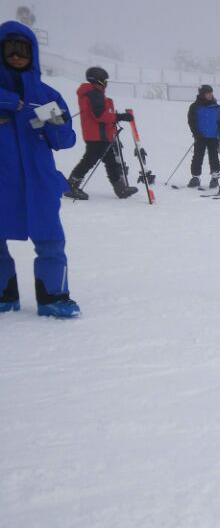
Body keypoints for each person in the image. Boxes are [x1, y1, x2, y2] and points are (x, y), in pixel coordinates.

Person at [0, 21, 81, 317]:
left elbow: (66, 141)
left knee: (50, 240)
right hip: (2, 182)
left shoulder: (47, 96)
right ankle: (3, 294)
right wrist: (8, 102)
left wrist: (56, 124)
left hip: (39, 181)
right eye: (10, 49)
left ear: (32, 53)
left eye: (23, 49)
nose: (17, 55)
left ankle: (53, 297)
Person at [63, 66, 137, 200]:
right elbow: (100, 115)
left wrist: (115, 119)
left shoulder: (93, 93)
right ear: (98, 80)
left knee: (111, 162)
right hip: (97, 135)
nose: (106, 83)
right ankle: (71, 186)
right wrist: (120, 116)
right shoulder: (93, 93)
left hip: (102, 135)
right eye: (104, 80)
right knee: (89, 161)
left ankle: (121, 189)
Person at [186, 84, 220, 188]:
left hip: (213, 136)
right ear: (202, 94)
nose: (210, 95)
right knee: (197, 156)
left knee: (213, 156)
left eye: (211, 93)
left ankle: (215, 178)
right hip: (200, 136)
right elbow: (191, 121)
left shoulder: (216, 107)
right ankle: (195, 177)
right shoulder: (195, 106)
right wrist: (195, 133)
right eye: (208, 93)